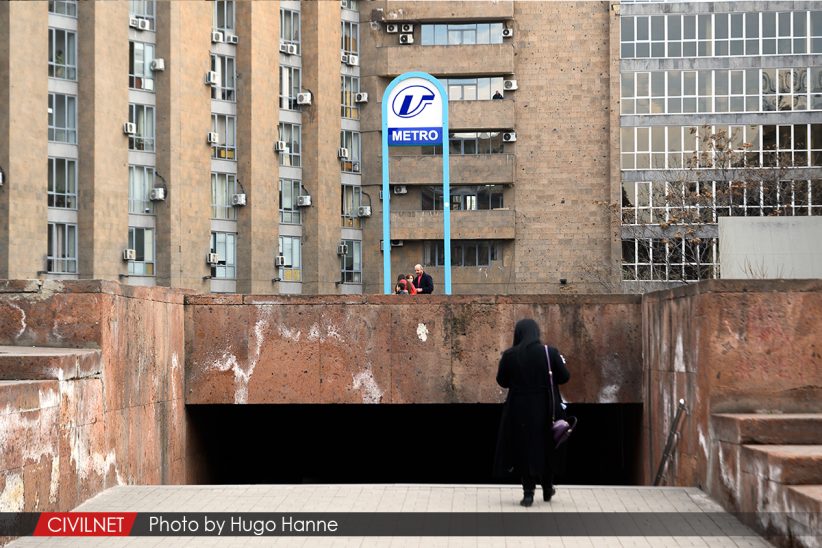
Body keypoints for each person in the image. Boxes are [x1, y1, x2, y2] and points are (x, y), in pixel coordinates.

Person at [494, 319, 570, 507]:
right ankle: (547, 488)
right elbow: (564, 377)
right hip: (547, 408)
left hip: (519, 409)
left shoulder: (510, 355)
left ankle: (528, 493)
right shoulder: (548, 353)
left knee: (524, 447)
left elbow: (502, 381)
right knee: (547, 445)